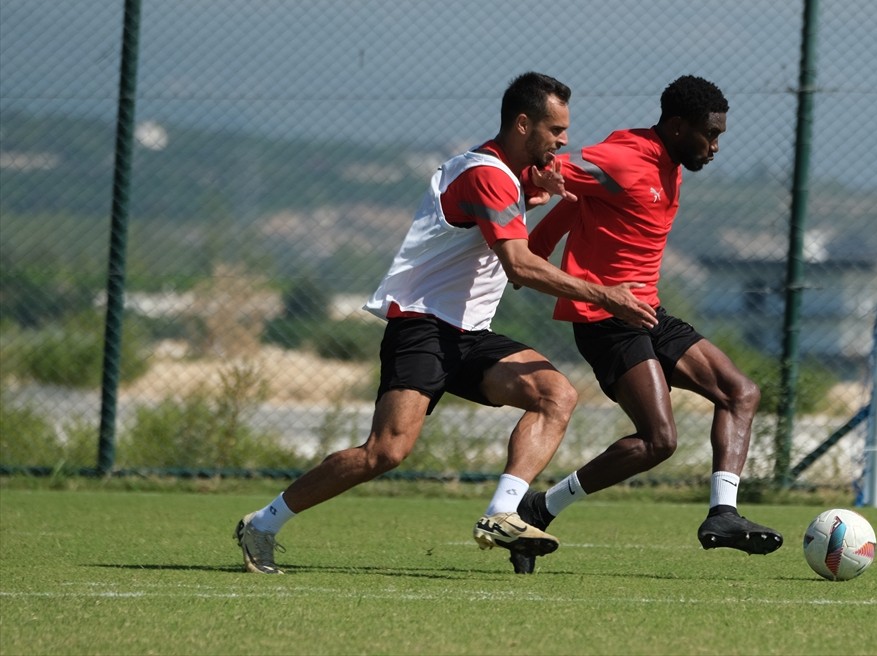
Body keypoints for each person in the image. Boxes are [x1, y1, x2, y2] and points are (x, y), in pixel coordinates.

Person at [234, 72, 658, 574]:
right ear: (523, 124)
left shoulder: (507, 173)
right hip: (422, 327)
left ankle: (502, 513)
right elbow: (519, 267)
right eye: (555, 129)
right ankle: (262, 523)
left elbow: (506, 216)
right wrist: (607, 295)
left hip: (469, 334)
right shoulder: (487, 175)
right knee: (384, 452)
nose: (564, 141)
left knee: (556, 394)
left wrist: (537, 194)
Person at [511, 75, 783, 574]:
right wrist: (537, 195)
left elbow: (583, 202)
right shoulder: (627, 157)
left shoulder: (668, 161)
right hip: (606, 319)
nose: (716, 147)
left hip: (649, 313)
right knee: (659, 441)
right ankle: (538, 509)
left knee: (740, 392)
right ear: (678, 127)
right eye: (710, 135)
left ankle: (722, 513)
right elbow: (551, 172)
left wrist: (541, 245)